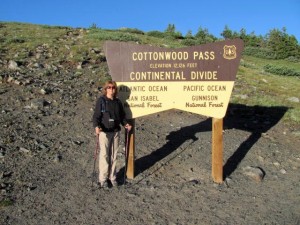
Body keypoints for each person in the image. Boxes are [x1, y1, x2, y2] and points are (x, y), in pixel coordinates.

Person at [92, 80, 132, 188]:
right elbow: (96, 116)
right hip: (104, 132)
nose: (111, 89)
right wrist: (96, 126)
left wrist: (126, 124)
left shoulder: (118, 102)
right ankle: (103, 179)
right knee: (104, 155)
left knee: (114, 155)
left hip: (115, 132)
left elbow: (122, 116)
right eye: (109, 87)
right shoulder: (101, 101)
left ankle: (112, 177)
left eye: (113, 87)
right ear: (106, 89)